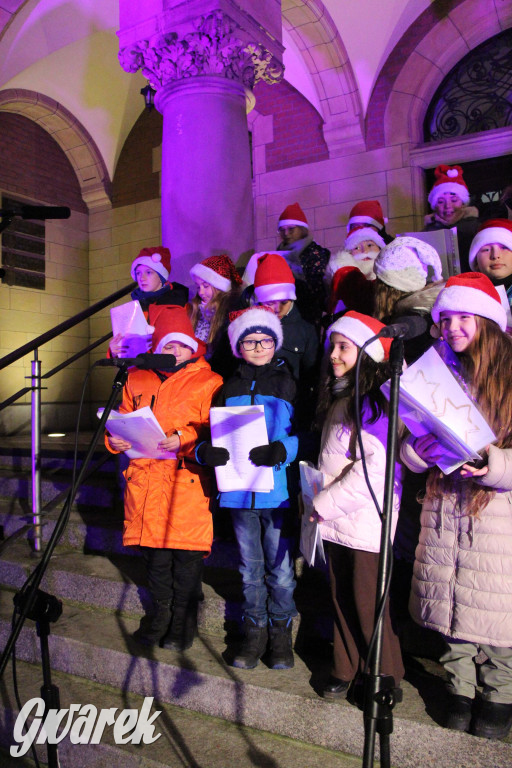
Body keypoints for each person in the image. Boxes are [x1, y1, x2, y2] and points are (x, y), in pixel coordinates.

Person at [401, 272, 512, 739]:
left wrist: (495, 465)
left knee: (498, 613)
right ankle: (460, 691)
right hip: (446, 506)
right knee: (451, 610)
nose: (453, 328)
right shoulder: (435, 371)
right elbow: (409, 440)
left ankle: (500, 696)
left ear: (487, 322)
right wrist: (416, 451)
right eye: (446, 320)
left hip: (497, 513)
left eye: (464, 317)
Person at [105, 306, 223, 651]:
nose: (173, 352)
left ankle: (182, 624)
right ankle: (160, 617)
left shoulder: (209, 381)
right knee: (154, 559)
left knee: (185, 559)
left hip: (185, 483)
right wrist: (114, 440)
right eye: (167, 345)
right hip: (145, 481)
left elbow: (213, 429)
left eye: (180, 346)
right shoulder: (137, 377)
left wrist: (184, 437)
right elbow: (120, 417)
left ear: (192, 347)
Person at [197, 306, 299, 670]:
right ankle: (253, 631)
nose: (257, 346)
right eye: (249, 340)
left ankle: (281, 633)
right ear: (238, 346)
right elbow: (209, 435)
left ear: (276, 343)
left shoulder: (287, 384)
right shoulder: (227, 388)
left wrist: (282, 450)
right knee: (248, 568)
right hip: (239, 493)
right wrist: (204, 451)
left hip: (277, 495)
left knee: (281, 569)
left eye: (265, 339)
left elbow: (307, 437)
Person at [311, 311, 404, 701]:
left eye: (344, 347)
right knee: (341, 596)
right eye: (333, 346)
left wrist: (323, 503)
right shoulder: (343, 397)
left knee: (368, 603)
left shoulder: (375, 404)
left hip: (365, 521)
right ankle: (346, 667)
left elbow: (373, 471)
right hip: (336, 521)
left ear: (366, 354)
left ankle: (384, 676)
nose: (333, 354)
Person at [109, 246, 189, 357]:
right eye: (138, 273)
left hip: (165, 369)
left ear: (161, 276)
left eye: (149, 272)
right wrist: (115, 350)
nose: (142, 278)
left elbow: (185, 346)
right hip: (137, 369)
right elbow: (125, 348)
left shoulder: (178, 303)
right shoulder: (134, 307)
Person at [276, 202, 330, 326]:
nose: (286, 233)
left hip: (306, 317)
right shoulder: (279, 252)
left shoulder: (315, 253)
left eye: (291, 229)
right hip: (282, 313)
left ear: (302, 229)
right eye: (282, 230)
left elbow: (317, 290)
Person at [423, 165, 480, 272]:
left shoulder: (477, 229)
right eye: (440, 202)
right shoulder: (426, 233)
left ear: (463, 203)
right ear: (434, 206)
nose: (447, 206)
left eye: (454, 200)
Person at [468, 218, 512, 314]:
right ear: (476, 263)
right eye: (486, 250)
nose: (495, 255)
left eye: (504, 247)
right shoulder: (467, 296)